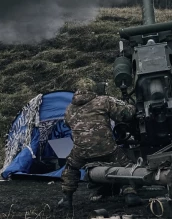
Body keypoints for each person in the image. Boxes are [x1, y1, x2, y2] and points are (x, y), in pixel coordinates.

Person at [57, 78, 142, 209]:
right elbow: (125, 115)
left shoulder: (69, 108)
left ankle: (67, 198)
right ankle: (130, 194)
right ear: (93, 89)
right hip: (107, 147)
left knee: (70, 168)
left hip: (81, 150)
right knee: (125, 164)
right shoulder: (104, 101)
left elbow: (67, 124)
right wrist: (133, 107)